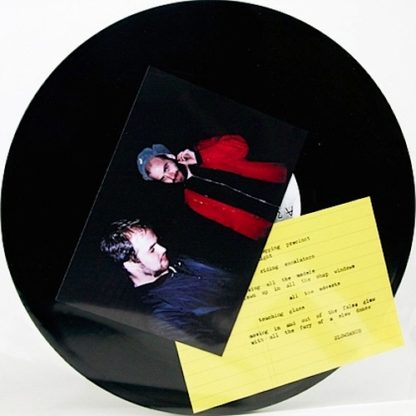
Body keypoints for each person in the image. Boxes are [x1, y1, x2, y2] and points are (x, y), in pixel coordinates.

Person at [100, 219, 239, 348]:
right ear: (131, 266)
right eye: (151, 249)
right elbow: (213, 347)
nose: (163, 249)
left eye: (157, 243)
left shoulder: (178, 260)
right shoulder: (160, 314)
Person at [137, 134, 288, 240]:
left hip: (282, 185)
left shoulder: (201, 149)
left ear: (170, 157)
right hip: (277, 219)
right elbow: (233, 222)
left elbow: (241, 145)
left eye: (166, 168)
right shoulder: (191, 199)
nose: (171, 176)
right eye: (163, 178)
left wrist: (200, 157)